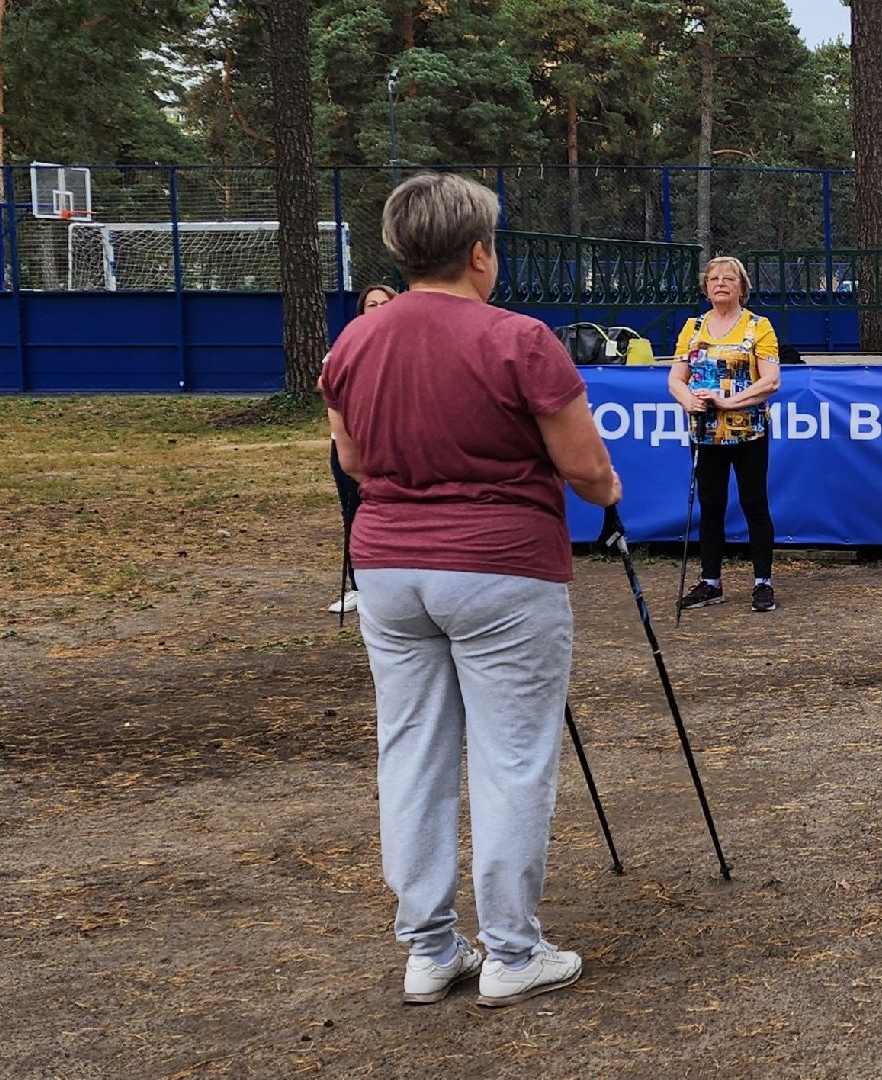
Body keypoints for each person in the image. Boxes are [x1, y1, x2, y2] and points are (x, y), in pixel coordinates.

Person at [321, 173, 621, 1008]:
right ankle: (513, 951)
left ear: (402, 251)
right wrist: (607, 491)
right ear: (480, 253)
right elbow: (586, 469)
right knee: (511, 757)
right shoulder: (519, 339)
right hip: (502, 567)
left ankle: (428, 948)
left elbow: (352, 460)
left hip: (389, 568)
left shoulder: (354, 343)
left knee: (410, 751)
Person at [668, 255, 782, 613]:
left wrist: (729, 402)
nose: (720, 283)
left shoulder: (758, 326)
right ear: (705, 287)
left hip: (748, 432)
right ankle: (710, 581)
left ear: (741, 288)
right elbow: (676, 378)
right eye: (713, 278)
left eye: (728, 278)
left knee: (754, 503)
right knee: (710, 505)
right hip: (705, 433)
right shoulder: (692, 328)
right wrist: (688, 399)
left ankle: (762, 583)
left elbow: (771, 381)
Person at [323, 283, 398, 614]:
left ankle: (395, 583)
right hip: (350, 443)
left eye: (385, 303)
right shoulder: (349, 342)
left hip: (392, 443)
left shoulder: (407, 344)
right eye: (372, 305)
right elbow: (325, 380)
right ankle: (358, 586)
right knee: (354, 511)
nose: (379, 310)